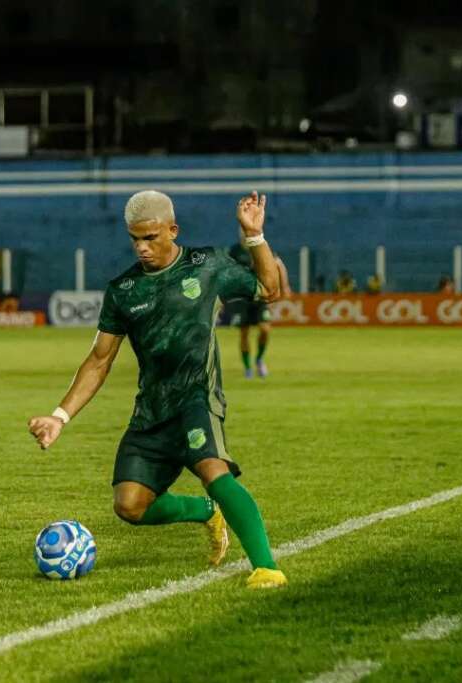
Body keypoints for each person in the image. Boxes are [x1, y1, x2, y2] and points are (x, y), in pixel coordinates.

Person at [28, 190, 288, 590]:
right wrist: (59, 417)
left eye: (150, 238)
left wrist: (254, 236)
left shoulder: (207, 266)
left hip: (198, 397)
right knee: (129, 506)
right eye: (135, 239)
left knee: (213, 471)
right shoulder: (124, 291)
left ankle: (266, 567)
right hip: (152, 409)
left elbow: (269, 290)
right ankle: (206, 512)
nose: (141, 247)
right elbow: (99, 360)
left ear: (173, 230)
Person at [227, 241, 291, 378]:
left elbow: (278, 263)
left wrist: (284, 286)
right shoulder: (235, 250)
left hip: (261, 295)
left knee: (265, 329)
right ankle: (248, 367)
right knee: (244, 333)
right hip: (242, 297)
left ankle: (259, 359)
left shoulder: (261, 246)